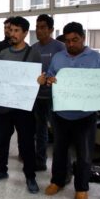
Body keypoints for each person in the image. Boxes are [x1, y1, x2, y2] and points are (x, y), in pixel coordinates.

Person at [41, 22, 100, 199]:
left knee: (84, 154)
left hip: (85, 115)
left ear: (83, 38)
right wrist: (48, 79)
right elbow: (50, 75)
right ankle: (57, 181)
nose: (70, 44)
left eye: (75, 40)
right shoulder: (58, 57)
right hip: (60, 113)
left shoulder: (96, 58)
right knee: (59, 151)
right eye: (67, 41)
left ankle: (82, 187)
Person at [0, 16, 41, 194]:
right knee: (3, 139)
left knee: (26, 143)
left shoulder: (33, 54)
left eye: (16, 31)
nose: (12, 34)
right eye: (11, 30)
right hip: (4, 105)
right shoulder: (3, 52)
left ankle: (30, 176)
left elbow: (37, 79)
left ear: (24, 33)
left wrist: (40, 80)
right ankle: (1, 170)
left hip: (24, 108)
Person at [31, 14, 65, 171]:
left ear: (51, 29)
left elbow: (66, 71)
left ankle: (61, 168)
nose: (39, 30)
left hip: (55, 97)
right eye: (37, 27)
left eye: (43, 27)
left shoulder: (60, 47)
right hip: (37, 96)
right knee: (40, 131)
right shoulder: (33, 48)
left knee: (59, 133)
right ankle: (40, 161)